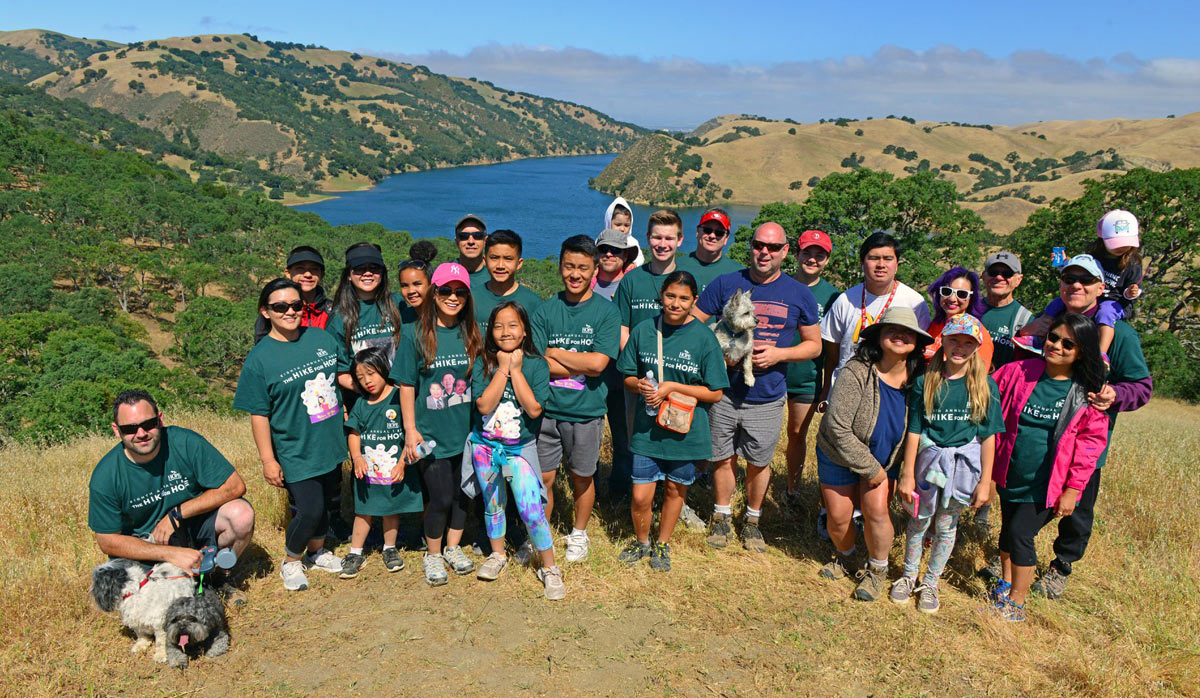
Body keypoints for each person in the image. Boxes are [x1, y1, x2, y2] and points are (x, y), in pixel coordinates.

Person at [1013, 253, 1152, 598]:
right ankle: (1014, 556)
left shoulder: (1119, 334)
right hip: (1035, 440)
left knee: (1076, 513)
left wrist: (1115, 394)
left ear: (1101, 288)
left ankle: (1061, 566)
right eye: (1068, 279)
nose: (1075, 285)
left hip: (1083, 448)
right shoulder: (1047, 325)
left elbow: (1142, 386)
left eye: (1085, 281)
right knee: (1024, 505)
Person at [693, 222, 822, 552]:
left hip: (767, 395)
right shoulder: (727, 283)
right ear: (749, 246)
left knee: (758, 461)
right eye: (758, 245)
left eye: (773, 247)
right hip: (724, 390)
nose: (764, 252)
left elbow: (814, 346)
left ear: (784, 252)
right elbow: (693, 324)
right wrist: (719, 353)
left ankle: (752, 520)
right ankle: (721, 516)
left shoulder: (798, 293)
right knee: (722, 457)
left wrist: (780, 353)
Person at [987, 313, 1109, 621]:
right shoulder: (1018, 372)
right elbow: (985, 399)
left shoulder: (1086, 393)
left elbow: (1089, 447)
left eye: (1068, 343)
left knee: (1020, 534)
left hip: (1047, 483)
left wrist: (1072, 490)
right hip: (1010, 471)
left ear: (1082, 351)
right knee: (1007, 533)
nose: (1056, 346)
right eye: (1053, 338)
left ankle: (1016, 604)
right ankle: (1005, 582)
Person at [234, 278, 348, 591]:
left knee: (325, 503)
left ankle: (317, 551)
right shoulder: (260, 359)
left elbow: (341, 377)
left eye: (296, 305)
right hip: (294, 447)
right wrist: (268, 460)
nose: (290, 311)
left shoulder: (320, 338)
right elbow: (259, 414)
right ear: (265, 311)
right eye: (280, 306)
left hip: (329, 440)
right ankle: (292, 560)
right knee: (309, 509)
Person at [616, 271, 728, 571]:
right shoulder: (643, 330)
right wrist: (637, 385)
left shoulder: (704, 338)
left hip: (685, 432)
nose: (675, 303)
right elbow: (626, 374)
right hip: (647, 430)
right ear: (661, 297)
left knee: (675, 490)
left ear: (694, 301)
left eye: (683, 298)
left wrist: (672, 387)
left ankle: (662, 544)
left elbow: (715, 392)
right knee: (641, 495)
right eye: (670, 296)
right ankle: (641, 542)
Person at [815, 307, 930, 600]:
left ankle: (877, 571)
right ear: (878, 337)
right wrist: (871, 468)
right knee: (839, 519)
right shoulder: (857, 370)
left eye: (908, 333)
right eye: (892, 329)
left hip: (886, 459)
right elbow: (837, 425)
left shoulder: (920, 380)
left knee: (876, 510)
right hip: (839, 453)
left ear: (917, 342)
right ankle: (847, 556)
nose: (900, 336)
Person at [893, 314, 1002, 613]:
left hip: (962, 467)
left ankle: (931, 582)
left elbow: (988, 436)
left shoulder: (985, 385)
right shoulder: (925, 381)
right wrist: (907, 474)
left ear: (977, 346)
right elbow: (914, 430)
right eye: (955, 339)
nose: (960, 347)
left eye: (968, 342)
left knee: (946, 524)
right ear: (943, 341)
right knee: (919, 520)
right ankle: (908, 576)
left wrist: (985, 483)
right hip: (929, 463)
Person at [88, 390, 255, 577]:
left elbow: (234, 486)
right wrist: (171, 554)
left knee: (242, 515)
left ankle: (217, 578)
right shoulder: (106, 475)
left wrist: (176, 515)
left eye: (148, 424)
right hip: (148, 545)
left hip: (193, 527)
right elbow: (107, 541)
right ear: (116, 430)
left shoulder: (185, 442)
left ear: (160, 419)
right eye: (130, 429)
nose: (141, 433)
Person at [531, 235, 621, 564]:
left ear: (595, 270)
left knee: (583, 475)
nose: (575, 274)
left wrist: (556, 353)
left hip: (587, 412)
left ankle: (579, 533)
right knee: (543, 477)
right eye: (569, 266)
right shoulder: (546, 310)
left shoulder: (606, 313)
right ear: (560, 267)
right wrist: (574, 359)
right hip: (547, 410)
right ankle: (540, 533)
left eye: (583, 267)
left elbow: (598, 365)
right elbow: (538, 363)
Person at [392, 262, 482, 585]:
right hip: (430, 433)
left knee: (462, 495)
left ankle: (452, 548)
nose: (453, 297)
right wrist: (410, 430)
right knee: (441, 497)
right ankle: (433, 554)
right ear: (434, 292)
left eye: (460, 292)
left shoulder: (471, 333)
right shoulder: (416, 335)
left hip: (466, 433)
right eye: (445, 290)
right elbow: (406, 385)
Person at [468, 301, 565, 600]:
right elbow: (483, 405)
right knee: (493, 504)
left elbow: (534, 409)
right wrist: (501, 369)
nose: (505, 332)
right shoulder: (484, 361)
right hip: (485, 447)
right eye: (498, 326)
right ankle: (498, 555)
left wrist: (517, 371)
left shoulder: (537, 365)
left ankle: (549, 567)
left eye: (512, 325)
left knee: (530, 509)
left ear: (525, 330)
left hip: (519, 450)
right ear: (490, 331)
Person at [338, 347, 424, 579]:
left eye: (371, 373)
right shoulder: (362, 404)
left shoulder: (400, 399)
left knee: (391, 509)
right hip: (368, 473)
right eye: (360, 377)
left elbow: (411, 438)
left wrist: (402, 464)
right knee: (363, 511)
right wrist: (357, 457)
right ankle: (355, 553)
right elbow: (354, 433)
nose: (367, 381)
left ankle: (390, 548)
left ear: (384, 368)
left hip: (394, 470)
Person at [821, 232, 931, 383]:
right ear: (862, 262)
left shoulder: (914, 302)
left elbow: (919, 352)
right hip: (846, 387)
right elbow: (832, 354)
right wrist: (826, 391)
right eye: (873, 258)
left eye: (888, 259)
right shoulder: (845, 300)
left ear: (897, 264)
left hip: (894, 390)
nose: (881, 264)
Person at [783, 230, 841, 507]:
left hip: (806, 377)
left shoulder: (832, 297)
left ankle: (791, 489)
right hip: (770, 373)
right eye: (807, 252)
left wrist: (826, 386)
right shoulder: (778, 284)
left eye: (820, 255)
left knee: (796, 434)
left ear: (827, 260)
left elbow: (833, 352)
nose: (812, 259)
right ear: (796, 254)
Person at [1040, 210, 1144, 356]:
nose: (1122, 248)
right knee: (1057, 304)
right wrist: (1063, 264)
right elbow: (1081, 276)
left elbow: (1136, 288)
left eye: (1126, 243)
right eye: (1116, 244)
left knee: (1105, 313)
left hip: (1116, 302)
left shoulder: (1133, 263)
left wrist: (1131, 293)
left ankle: (1101, 353)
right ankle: (1037, 336)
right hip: (1092, 298)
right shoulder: (1095, 255)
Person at [253, 246, 332, 343]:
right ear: (288, 273)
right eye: (300, 268)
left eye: (314, 269)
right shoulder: (276, 308)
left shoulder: (333, 310)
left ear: (322, 275)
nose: (307, 274)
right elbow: (263, 345)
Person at [472, 229, 543, 333]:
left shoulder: (533, 303)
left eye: (508, 259)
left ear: (519, 263)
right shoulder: (471, 298)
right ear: (484, 261)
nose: (500, 265)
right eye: (494, 258)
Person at [922, 267, 995, 368]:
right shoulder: (935, 324)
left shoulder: (978, 333)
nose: (952, 299)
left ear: (971, 299)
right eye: (947, 291)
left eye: (962, 294)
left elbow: (978, 378)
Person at [979, 251, 1033, 369]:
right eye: (993, 272)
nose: (999, 277)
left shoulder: (1026, 320)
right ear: (983, 276)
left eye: (1007, 274)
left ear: (1019, 280)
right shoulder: (969, 310)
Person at [676, 208, 744, 292]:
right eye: (707, 230)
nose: (712, 236)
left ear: (726, 238)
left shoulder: (738, 273)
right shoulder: (676, 265)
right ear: (698, 232)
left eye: (719, 233)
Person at [593, 227, 639, 302]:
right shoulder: (584, 285)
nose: (608, 254)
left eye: (615, 249)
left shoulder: (634, 286)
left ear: (625, 255)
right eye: (603, 249)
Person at [397, 240, 437, 324]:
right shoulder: (402, 319)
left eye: (417, 284)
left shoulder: (445, 318)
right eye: (404, 285)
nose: (411, 291)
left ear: (431, 284)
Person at [604, 196, 644, 268]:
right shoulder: (602, 240)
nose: (622, 229)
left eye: (626, 225)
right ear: (609, 222)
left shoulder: (632, 242)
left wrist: (635, 264)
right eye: (618, 225)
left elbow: (640, 258)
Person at [454, 214, 490, 288]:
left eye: (477, 235)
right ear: (457, 242)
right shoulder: (445, 273)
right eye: (464, 236)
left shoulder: (495, 277)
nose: (471, 241)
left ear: (485, 241)